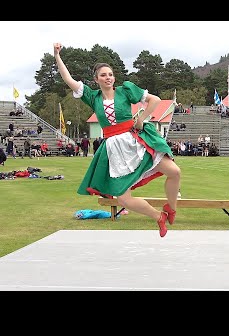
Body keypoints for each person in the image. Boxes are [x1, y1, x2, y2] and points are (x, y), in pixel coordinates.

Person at [53, 42, 181, 238]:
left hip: (135, 140)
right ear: (96, 79)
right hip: (114, 148)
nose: (108, 78)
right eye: (103, 75)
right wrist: (57, 56)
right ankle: (158, 217)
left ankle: (171, 208)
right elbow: (67, 78)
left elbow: (154, 100)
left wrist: (141, 118)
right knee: (123, 199)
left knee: (174, 171)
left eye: (110, 74)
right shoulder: (92, 96)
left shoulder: (125, 90)